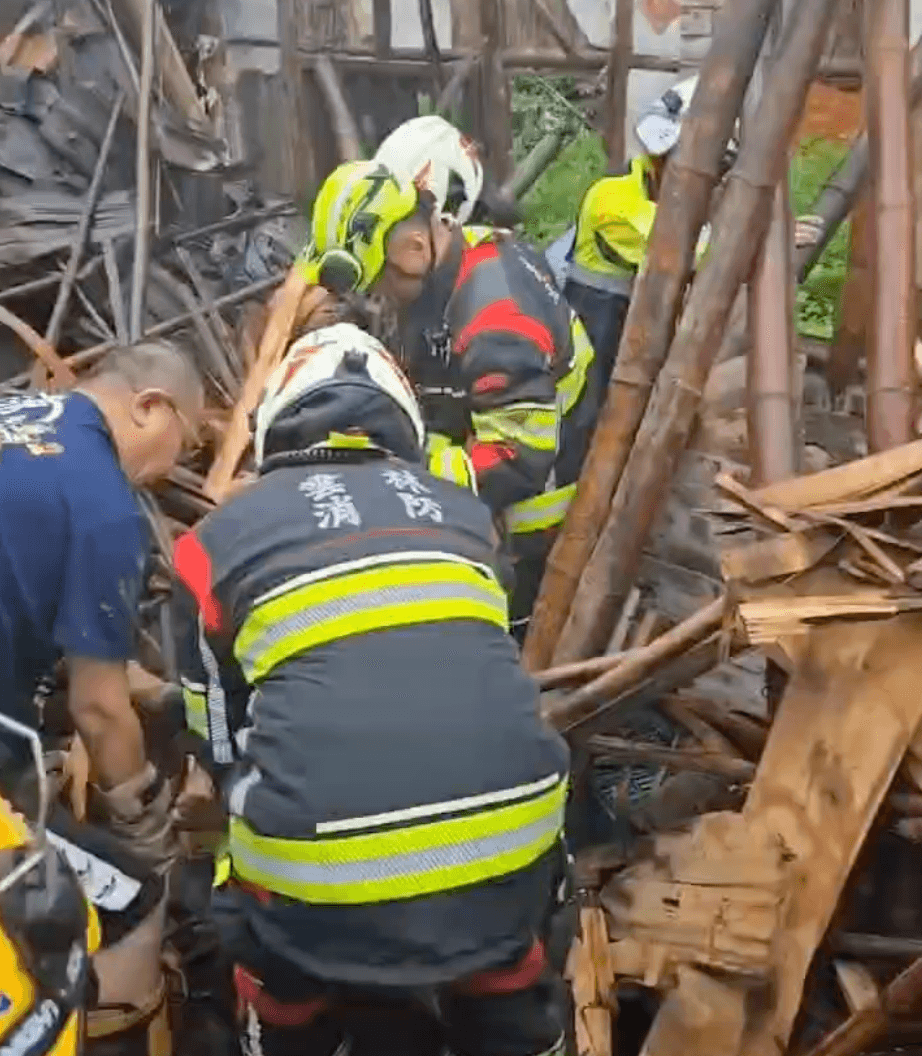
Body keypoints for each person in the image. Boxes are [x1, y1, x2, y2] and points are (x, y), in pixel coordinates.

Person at [172, 322, 571, 1056]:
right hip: (517, 837)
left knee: (268, 939)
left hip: (319, 883)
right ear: (406, 430)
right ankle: (514, 1014)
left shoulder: (209, 547)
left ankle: (294, 1020)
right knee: (507, 960)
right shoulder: (470, 517)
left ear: (274, 431)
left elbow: (220, 744)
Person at [297, 161, 599, 634]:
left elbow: (517, 458)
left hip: (533, 534)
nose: (379, 298)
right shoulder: (461, 255)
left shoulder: (496, 316)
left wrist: (400, 477)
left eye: (379, 283)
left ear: (415, 248)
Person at [553, 75, 728, 391]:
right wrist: (747, 236)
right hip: (594, 323)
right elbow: (674, 247)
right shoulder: (613, 198)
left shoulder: (659, 192)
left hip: (624, 321)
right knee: (585, 411)